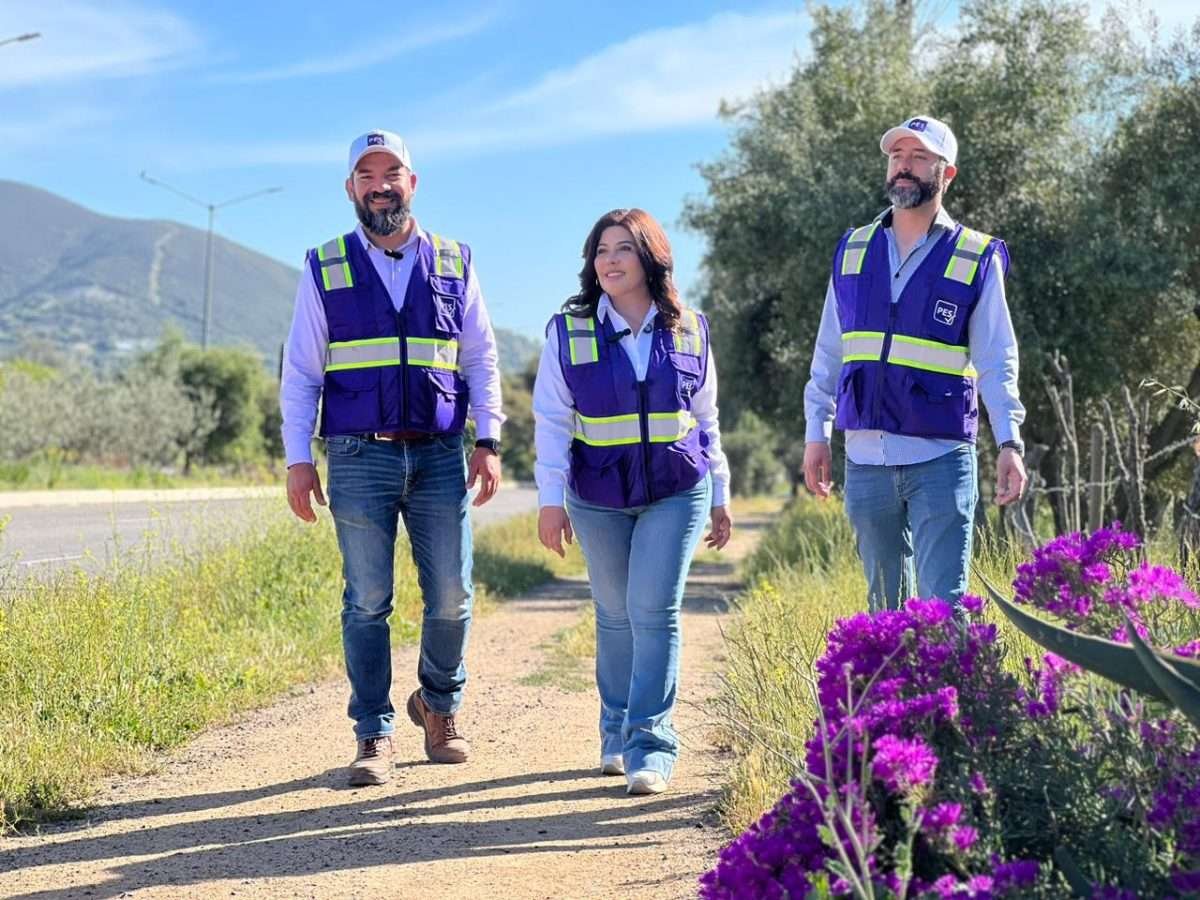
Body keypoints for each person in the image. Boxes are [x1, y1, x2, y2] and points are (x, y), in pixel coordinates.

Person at [281, 130, 504, 786]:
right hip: (356, 457)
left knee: (452, 596)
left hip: (439, 453)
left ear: (413, 182)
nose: (381, 184)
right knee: (368, 599)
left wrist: (487, 441)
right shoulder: (325, 265)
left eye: (393, 172)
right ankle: (374, 732)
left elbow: (481, 359)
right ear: (351, 188)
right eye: (366, 174)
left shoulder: (455, 261)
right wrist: (300, 459)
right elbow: (301, 372)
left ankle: (438, 707)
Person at [533, 208, 732, 795]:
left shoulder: (690, 327)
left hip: (675, 489)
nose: (610, 260)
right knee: (615, 614)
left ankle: (652, 743)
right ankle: (616, 730)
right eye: (601, 251)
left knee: (654, 610)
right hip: (596, 494)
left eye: (623, 248)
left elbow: (706, 417)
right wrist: (550, 499)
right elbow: (550, 419)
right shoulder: (567, 330)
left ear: (650, 256)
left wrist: (721, 491)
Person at [802, 115, 1028, 612]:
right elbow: (828, 354)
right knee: (883, 612)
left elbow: (996, 359)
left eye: (920, 157)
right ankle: (891, 695)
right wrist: (816, 434)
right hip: (865, 458)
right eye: (897, 156)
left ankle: (953, 693)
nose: (905, 167)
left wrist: (1010, 441)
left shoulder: (975, 256)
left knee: (943, 612)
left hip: (941, 459)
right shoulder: (853, 249)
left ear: (946, 174)